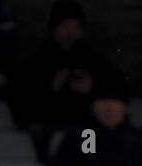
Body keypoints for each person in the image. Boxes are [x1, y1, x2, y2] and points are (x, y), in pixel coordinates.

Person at [13, 0, 122, 152]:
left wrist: (92, 89)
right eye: (65, 27)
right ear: (54, 29)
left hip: (89, 129)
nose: (70, 32)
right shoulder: (36, 63)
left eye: (75, 27)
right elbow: (25, 103)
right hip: (50, 128)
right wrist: (53, 87)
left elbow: (114, 94)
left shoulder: (97, 62)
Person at [44, 73, 142, 166]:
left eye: (115, 101)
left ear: (125, 107)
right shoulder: (86, 135)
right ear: (92, 106)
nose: (108, 107)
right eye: (102, 100)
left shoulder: (137, 138)